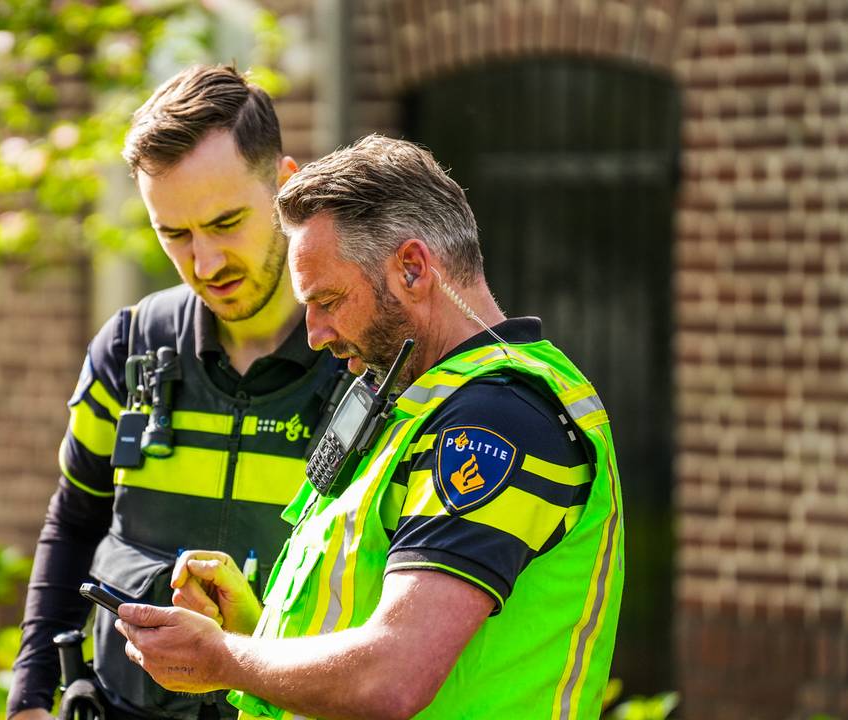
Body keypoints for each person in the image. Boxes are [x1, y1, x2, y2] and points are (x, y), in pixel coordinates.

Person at [115, 135, 625, 720]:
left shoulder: (499, 419)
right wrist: (256, 632)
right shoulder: (418, 401)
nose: (314, 334)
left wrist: (223, 658)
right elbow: (363, 629)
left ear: (413, 268)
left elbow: (392, 677)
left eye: (329, 300)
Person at [8, 65, 346, 720]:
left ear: (286, 186)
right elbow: (74, 522)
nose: (206, 263)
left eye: (226, 222)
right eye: (176, 234)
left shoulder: (366, 363)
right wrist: (29, 698)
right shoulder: (127, 348)